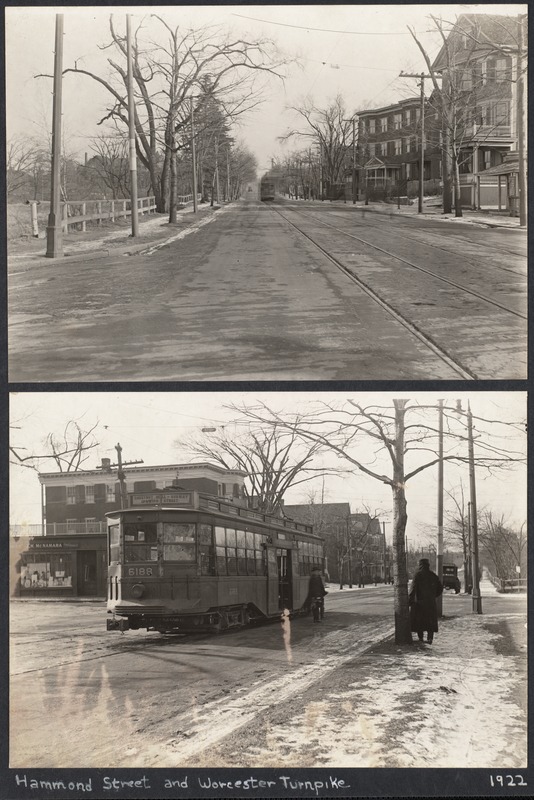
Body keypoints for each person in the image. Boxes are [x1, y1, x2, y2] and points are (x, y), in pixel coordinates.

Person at [409, 558, 443, 644]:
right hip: (430, 603)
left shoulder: (417, 575)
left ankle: (421, 638)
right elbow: (440, 588)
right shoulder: (433, 575)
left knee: (419, 621)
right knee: (430, 621)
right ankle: (430, 638)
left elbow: (413, 589)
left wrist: (410, 600)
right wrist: (433, 596)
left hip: (419, 603)